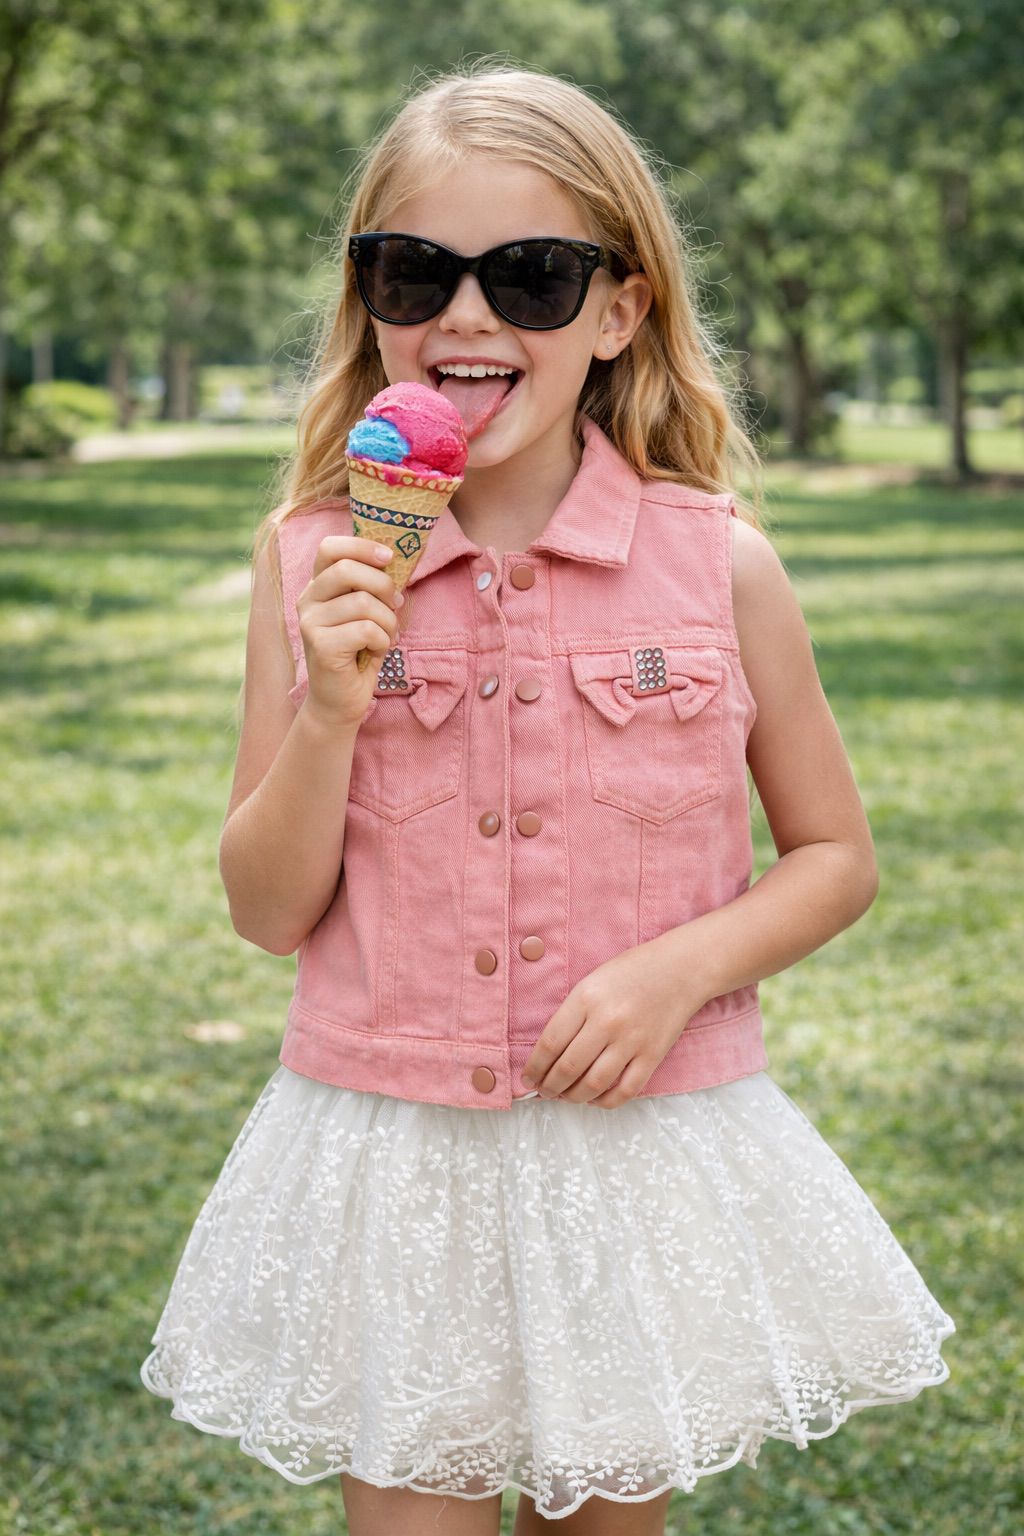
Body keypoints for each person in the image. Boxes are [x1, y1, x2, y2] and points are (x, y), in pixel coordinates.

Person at [139, 61, 955, 1535]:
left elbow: (836, 855)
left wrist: (675, 973)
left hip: (628, 1148)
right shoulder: (309, 562)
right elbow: (266, 912)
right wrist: (330, 707)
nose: (466, 317)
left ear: (619, 311)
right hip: (401, 1159)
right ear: (369, 301)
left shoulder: (719, 565)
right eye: (415, 273)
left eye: (529, 277)